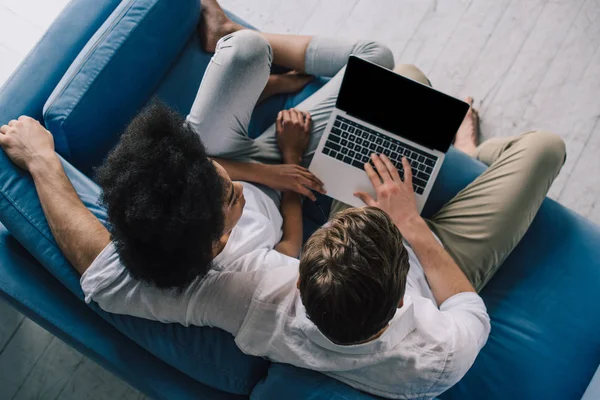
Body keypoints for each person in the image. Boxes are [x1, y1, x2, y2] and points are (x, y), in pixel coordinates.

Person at [0, 0, 567, 398]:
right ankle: (474, 149)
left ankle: (246, 48)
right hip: (409, 252)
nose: (237, 188)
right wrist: (405, 224)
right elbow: (464, 308)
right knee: (541, 147)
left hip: (351, 232)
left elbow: (96, 266)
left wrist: (44, 160)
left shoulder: (220, 286)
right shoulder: (439, 353)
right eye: (230, 197)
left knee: (399, 84)